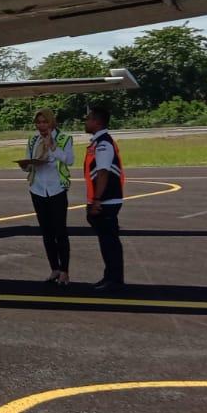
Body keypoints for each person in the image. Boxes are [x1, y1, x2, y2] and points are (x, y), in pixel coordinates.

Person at [18, 108, 74, 285]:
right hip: (38, 189)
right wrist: (26, 165)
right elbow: (29, 161)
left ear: (52, 122)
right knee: (47, 233)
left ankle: (65, 271)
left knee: (60, 232)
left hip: (56, 189)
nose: (41, 126)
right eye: (38, 122)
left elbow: (69, 160)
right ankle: (54, 269)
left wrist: (53, 147)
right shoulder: (33, 139)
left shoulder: (64, 138)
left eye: (44, 122)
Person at [83, 104, 126, 291]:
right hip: (107, 199)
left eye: (89, 118)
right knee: (108, 241)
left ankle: (113, 279)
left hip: (106, 200)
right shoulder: (99, 142)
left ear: (97, 122)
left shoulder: (103, 144)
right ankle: (111, 277)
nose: (86, 121)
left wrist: (97, 200)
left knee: (109, 242)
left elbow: (103, 173)